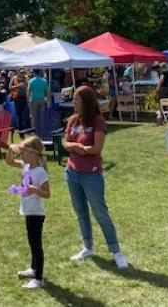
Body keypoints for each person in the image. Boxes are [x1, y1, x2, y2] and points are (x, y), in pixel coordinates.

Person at [62, 86, 128, 269]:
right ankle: (87, 247)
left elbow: (96, 149)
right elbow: (65, 143)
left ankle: (116, 252)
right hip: (71, 172)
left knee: (100, 212)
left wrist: (79, 148)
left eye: (76, 100)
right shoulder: (73, 120)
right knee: (80, 212)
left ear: (86, 102)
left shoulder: (98, 121)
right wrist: (78, 147)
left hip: (91, 175)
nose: (73, 102)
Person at [5, 136, 50, 289]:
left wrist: (34, 189)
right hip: (28, 210)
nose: (21, 154)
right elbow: (9, 162)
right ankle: (33, 268)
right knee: (32, 242)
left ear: (34, 154)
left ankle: (39, 279)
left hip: (36, 213)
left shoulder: (40, 172)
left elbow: (47, 193)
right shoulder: (26, 166)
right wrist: (10, 150)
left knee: (36, 244)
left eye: (23, 151)